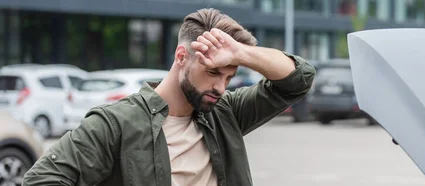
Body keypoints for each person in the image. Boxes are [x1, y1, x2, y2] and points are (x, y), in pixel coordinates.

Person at [23, 8, 316, 186]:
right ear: (181, 56)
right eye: (214, 72)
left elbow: (297, 80)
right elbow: (42, 179)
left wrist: (242, 53)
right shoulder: (116, 125)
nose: (221, 87)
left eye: (229, 77)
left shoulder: (224, 112)